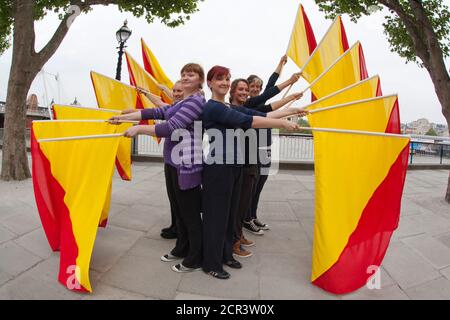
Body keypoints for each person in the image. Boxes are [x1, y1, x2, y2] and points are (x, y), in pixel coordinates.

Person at [201, 65, 308, 279]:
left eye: (227, 78)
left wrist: (292, 110)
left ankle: (226, 254)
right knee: (216, 217)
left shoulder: (229, 107)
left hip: (234, 167)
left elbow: (260, 112)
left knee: (230, 215)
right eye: (219, 78)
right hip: (217, 169)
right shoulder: (213, 107)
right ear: (210, 83)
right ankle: (211, 262)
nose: (224, 81)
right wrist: (281, 124)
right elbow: (250, 121)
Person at [110, 63, 206, 273]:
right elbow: (159, 111)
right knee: (178, 210)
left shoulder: (197, 102)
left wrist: (138, 129)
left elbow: (171, 126)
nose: (186, 77)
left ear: (200, 80)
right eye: (183, 73)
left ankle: (195, 257)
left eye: (191, 74)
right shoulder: (183, 101)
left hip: (186, 164)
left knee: (189, 213)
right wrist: (123, 118)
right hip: (173, 162)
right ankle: (181, 248)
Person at [228, 78, 304, 258]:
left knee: (245, 201)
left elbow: (269, 109)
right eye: (242, 89)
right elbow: (270, 94)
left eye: (247, 89)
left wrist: (291, 105)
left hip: (252, 161)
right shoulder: (230, 109)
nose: (245, 92)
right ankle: (234, 240)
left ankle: (238, 234)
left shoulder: (248, 107)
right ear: (232, 91)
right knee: (238, 206)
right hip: (238, 163)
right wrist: (289, 88)